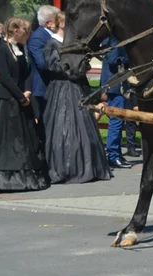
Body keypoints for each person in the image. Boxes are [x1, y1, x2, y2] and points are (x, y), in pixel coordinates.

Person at [0, 17, 49, 192]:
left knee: (25, 140)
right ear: (16, 30)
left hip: (23, 98)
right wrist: (20, 96)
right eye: (26, 30)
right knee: (7, 140)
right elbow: (5, 77)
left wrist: (28, 92)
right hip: (6, 100)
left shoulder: (23, 48)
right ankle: (4, 178)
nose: (28, 33)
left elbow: (28, 72)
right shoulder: (1, 49)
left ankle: (26, 176)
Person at [42, 16, 112, 185]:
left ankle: (88, 166)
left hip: (78, 86)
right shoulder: (52, 43)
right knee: (62, 126)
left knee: (84, 125)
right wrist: (72, 68)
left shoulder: (73, 44)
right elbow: (52, 66)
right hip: (61, 88)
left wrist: (81, 65)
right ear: (63, 24)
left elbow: (84, 64)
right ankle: (66, 168)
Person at [100, 37, 133, 169]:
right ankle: (113, 155)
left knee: (118, 121)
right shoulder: (113, 40)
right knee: (116, 121)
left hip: (116, 85)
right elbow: (114, 60)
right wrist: (130, 58)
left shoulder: (113, 39)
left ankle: (117, 154)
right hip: (114, 85)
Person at [27, 4, 60, 120]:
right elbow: (43, 63)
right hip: (43, 89)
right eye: (58, 20)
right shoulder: (38, 38)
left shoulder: (55, 35)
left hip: (54, 87)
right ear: (48, 23)